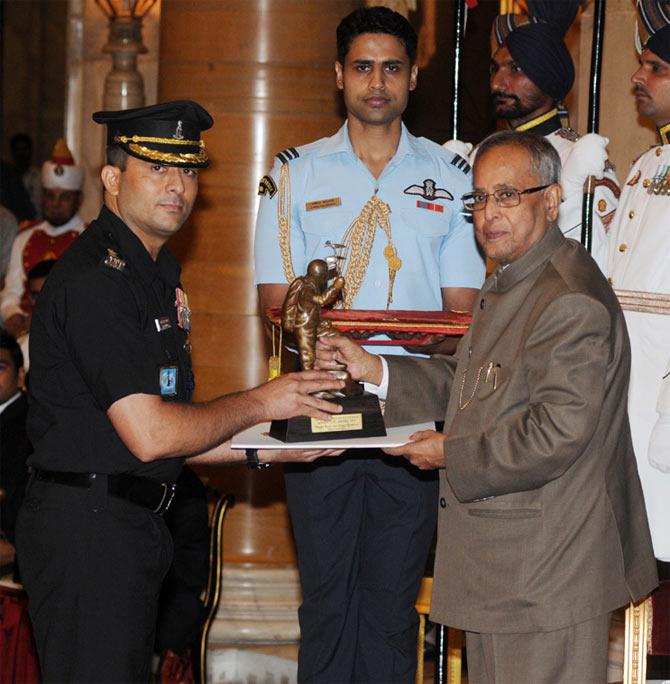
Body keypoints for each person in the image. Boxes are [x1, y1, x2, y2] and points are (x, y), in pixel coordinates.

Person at [15, 99, 347, 683]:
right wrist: (263, 400)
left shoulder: (154, 274)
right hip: (88, 532)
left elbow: (173, 430)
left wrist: (271, 445)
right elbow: (151, 434)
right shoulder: (99, 281)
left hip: (127, 525)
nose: (178, 186)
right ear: (113, 179)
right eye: (158, 169)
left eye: (188, 171)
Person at [318, 130, 658, 683]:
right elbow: (475, 382)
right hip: (510, 569)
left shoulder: (567, 298)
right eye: (478, 198)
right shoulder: (515, 280)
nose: (488, 214)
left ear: (550, 201)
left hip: (548, 575)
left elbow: (555, 433)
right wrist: (375, 370)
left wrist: (450, 451)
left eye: (507, 196)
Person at [253, 6, 485, 682]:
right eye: (362, 67)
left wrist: (375, 355)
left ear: (412, 77)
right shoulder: (293, 172)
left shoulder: (451, 176)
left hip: (410, 413)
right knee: (325, 602)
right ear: (338, 76)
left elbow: (461, 314)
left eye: (391, 67)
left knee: (390, 606)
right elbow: (275, 301)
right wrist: (329, 345)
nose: (376, 82)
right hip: (320, 406)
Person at [448, 1, 619, 273]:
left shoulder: (577, 158)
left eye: (516, 69)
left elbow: (592, 265)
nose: (497, 83)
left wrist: (573, 197)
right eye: (495, 69)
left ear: (548, 76)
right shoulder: (477, 154)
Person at [607, 5, 670, 675]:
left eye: (655, 69)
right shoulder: (647, 164)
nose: (638, 77)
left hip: (666, 405)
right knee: (639, 569)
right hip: (629, 399)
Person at [0, 138, 86, 337]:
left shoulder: (88, 238)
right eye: (50, 196)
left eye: (64, 197)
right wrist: (12, 314)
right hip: (23, 332)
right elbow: (11, 291)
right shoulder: (25, 236)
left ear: (78, 200)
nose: (56, 203)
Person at [0, 330, 31, 574]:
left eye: (0, 368)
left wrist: (19, 551)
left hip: (16, 564)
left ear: (21, 376)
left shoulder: (33, 426)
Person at [10, 133, 42, 219]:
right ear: (12, 152)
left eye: (24, 149)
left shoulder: (39, 177)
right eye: (17, 150)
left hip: (35, 223)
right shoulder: (7, 177)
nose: (21, 153)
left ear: (30, 151)